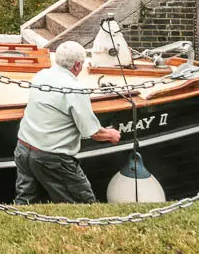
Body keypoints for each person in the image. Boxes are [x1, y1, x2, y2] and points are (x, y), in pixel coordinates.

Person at [14, 40, 121, 204]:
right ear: (77, 65)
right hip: (52, 157)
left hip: (23, 148)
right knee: (81, 202)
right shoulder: (75, 89)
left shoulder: (41, 75)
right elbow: (92, 132)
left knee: (27, 201)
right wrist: (111, 134)